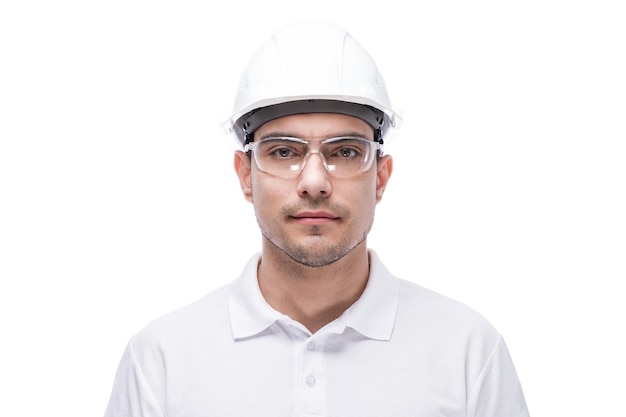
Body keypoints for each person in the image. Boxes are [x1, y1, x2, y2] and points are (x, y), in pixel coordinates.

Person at [104, 20, 529, 417]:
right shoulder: (162, 361)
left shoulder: (468, 353)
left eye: (344, 152)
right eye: (283, 152)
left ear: (380, 177)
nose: (313, 182)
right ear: (245, 175)